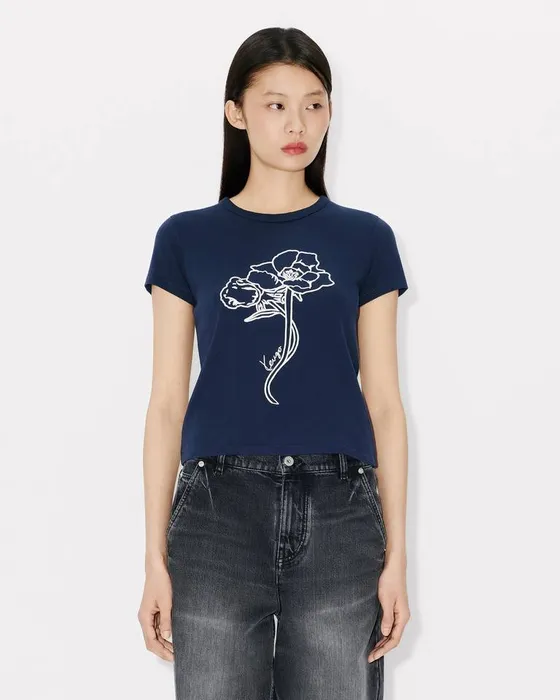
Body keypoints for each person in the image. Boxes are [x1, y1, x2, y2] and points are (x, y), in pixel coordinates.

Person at [138, 26, 411, 700]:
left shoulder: (367, 240)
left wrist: (398, 557)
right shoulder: (185, 239)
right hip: (215, 512)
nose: (298, 124)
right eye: (276, 105)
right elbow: (167, 402)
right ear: (236, 113)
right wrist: (153, 559)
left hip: (342, 509)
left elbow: (384, 402)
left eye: (314, 105)